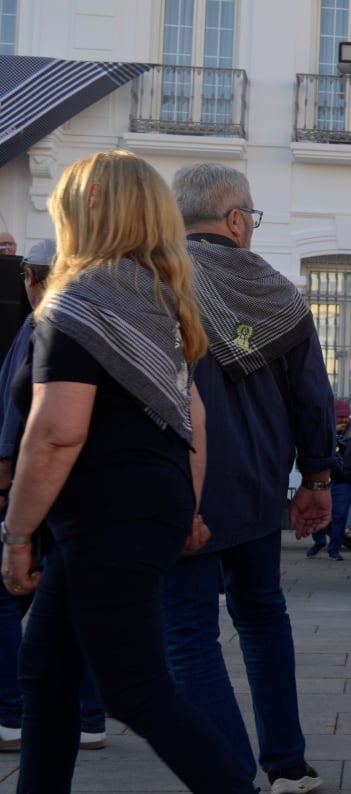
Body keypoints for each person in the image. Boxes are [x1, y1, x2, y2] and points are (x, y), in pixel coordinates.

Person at [0, 150, 253, 793]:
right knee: (47, 671)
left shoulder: (78, 300)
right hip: (144, 508)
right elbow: (190, 413)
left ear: (85, 211)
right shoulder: (158, 297)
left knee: (136, 690)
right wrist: (186, 508)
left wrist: (17, 533)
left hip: (103, 516)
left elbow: (56, 432)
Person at [165, 161, 336, 794]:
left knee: (187, 632)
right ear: (235, 220)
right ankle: (288, 764)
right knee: (263, 617)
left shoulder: (155, 282)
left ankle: (228, 776)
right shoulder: (277, 292)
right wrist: (316, 478)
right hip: (260, 488)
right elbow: (312, 397)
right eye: (252, 218)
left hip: (181, 488)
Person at [0, 239, 107, 754]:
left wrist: (16, 525)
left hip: (48, 491)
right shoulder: (82, 322)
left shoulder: (47, 325)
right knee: (66, 615)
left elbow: (37, 424)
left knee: (10, 600)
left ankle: (15, 712)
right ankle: (85, 717)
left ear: (33, 277)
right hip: (81, 497)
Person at [309, 398, 351, 560]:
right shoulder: (324, 431)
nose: (344, 419)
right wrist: (331, 433)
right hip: (322, 480)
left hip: (342, 482)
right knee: (316, 514)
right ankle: (319, 541)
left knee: (339, 516)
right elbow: (314, 449)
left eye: (346, 416)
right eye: (340, 416)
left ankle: (334, 549)